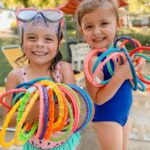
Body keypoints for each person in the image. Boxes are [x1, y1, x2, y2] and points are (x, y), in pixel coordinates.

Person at [3, 8, 80, 150]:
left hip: (63, 145)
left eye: (48, 39)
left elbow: (73, 112)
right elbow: (8, 120)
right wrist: (28, 114)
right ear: (22, 41)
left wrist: (42, 110)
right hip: (33, 146)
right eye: (32, 38)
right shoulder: (16, 76)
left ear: (58, 44)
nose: (39, 44)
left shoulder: (63, 70)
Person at [76, 0, 145, 150]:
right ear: (82, 32)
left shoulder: (120, 51)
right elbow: (98, 99)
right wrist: (120, 75)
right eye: (89, 26)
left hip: (124, 115)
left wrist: (136, 67)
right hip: (107, 118)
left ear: (118, 24)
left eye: (104, 23)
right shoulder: (93, 61)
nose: (96, 31)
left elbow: (131, 79)